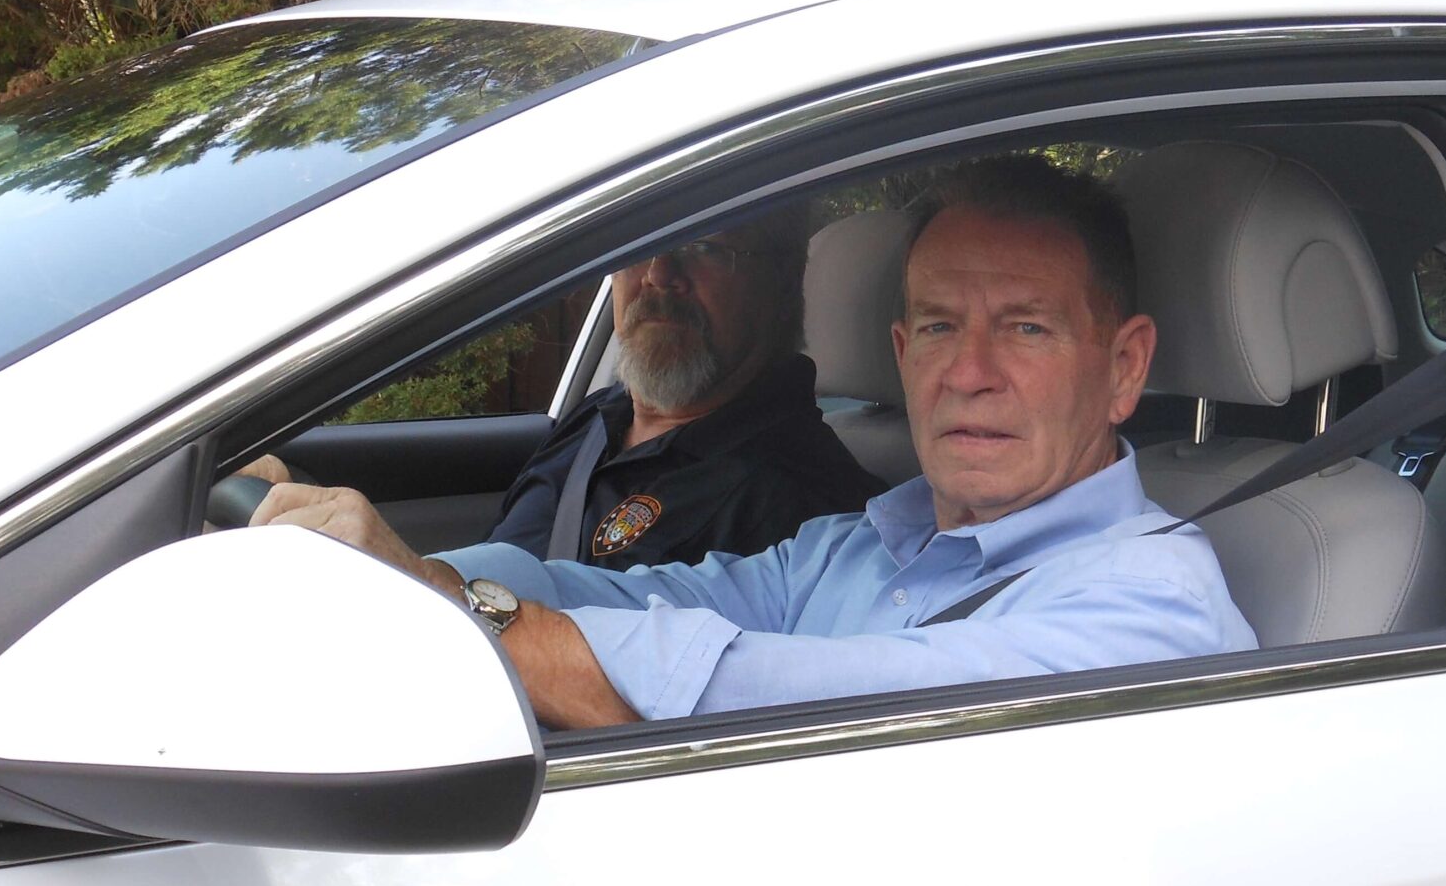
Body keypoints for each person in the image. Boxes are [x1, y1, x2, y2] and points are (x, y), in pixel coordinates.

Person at [251, 156, 1257, 727]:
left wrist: (455, 609)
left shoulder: (1148, 609)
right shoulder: (857, 546)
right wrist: (392, 566)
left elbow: (771, 696)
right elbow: (639, 594)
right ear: (901, 353)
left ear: (1124, 367)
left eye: (1026, 327)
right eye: (941, 328)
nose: (970, 371)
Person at [478, 204, 883, 567]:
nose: (658, 273)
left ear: (781, 278)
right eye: (638, 246)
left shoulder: (807, 513)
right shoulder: (595, 418)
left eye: (703, 246)